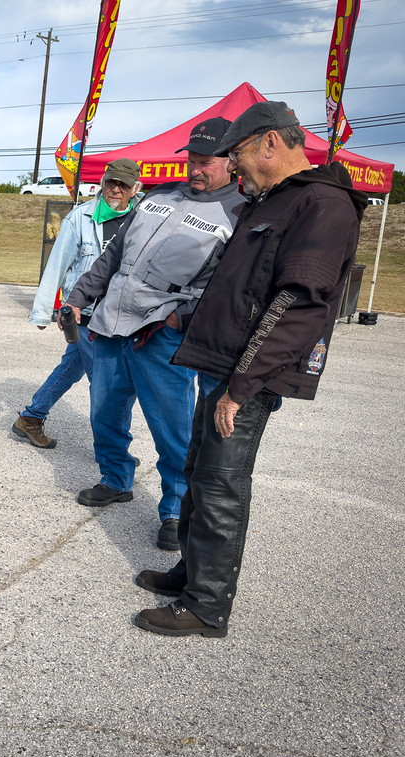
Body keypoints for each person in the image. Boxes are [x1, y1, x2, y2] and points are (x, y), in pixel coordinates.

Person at [133, 102, 368, 637]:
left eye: (236, 152)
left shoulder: (321, 204)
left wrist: (241, 387)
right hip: (221, 364)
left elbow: (297, 302)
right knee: (199, 472)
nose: (233, 164)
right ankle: (191, 571)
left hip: (247, 375)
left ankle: (207, 605)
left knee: (221, 484)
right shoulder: (274, 199)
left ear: (270, 142)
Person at [64, 117, 245, 551]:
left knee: (172, 429)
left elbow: (227, 285)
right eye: (192, 160)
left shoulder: (238, 213)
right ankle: (115, 479)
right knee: (104, 412)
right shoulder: (159, 195)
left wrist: (180, 318)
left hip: (161, 335)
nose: (195, 169)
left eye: (205, 162)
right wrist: (79, 296)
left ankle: (175, 510)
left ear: (232, 162)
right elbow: (113, 257)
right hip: (111, 323)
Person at [12, 159, 141, 449]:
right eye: (111, 182)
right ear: (102, 183)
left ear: (135, 189)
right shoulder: (79, 218)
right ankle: (112, 450)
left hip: (122, 314)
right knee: (108, 384)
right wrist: (43, 312)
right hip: (86, 314)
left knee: (73, 366)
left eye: (123, 185)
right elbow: (57, 264)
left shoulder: (144, 217)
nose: (116, 189)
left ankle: (31, 417)